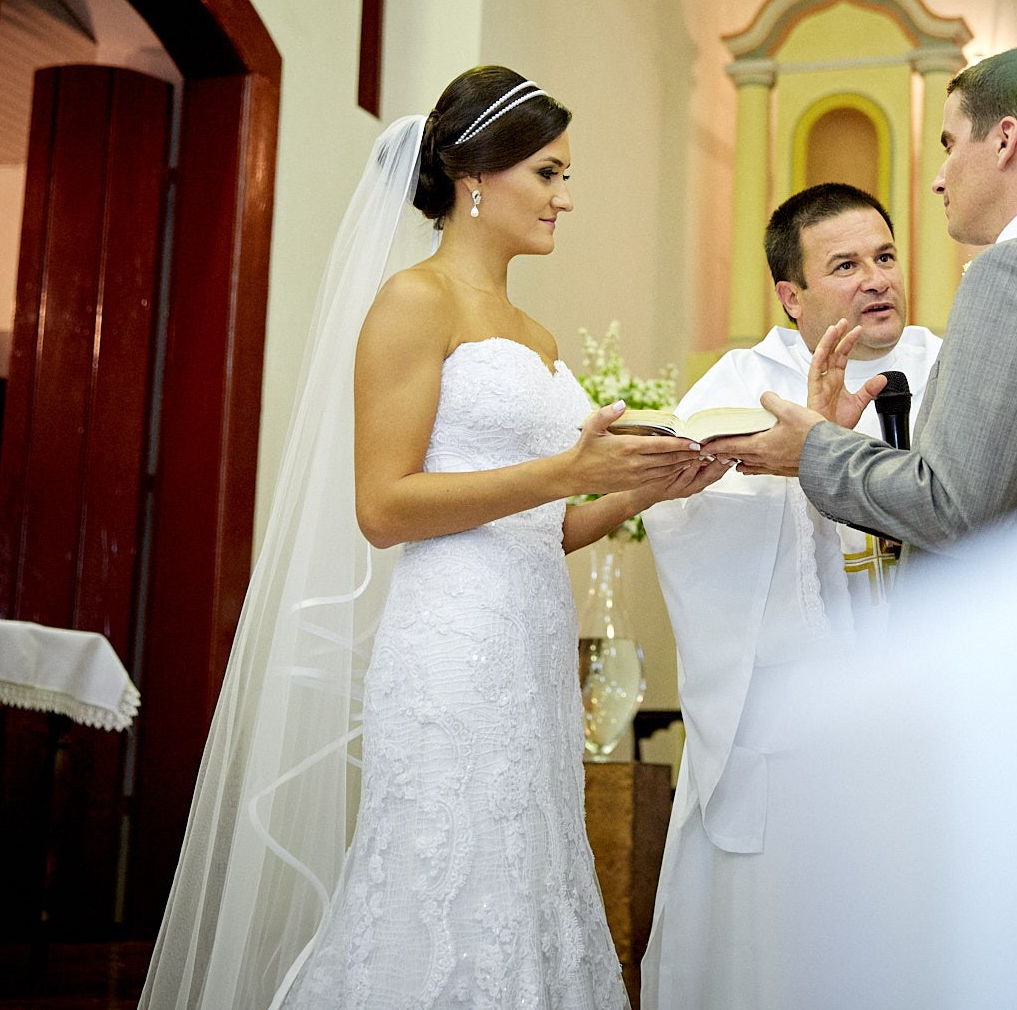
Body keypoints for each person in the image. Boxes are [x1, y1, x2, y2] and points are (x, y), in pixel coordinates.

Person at [140, 67, 723, 1010]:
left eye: (567, 174)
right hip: (448, 647)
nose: (565, 197)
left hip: (530, 645)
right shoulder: (412, 302)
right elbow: (384, 505)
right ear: (474, 176)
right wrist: (566, 471)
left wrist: (648, 484)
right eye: (548, 172)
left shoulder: (535, 333)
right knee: (443, 875)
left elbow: (546, 526)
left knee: (529, 871)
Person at [639, 183, 941, 1010]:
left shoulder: (945, 363)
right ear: (791, 294)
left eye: (884, 255)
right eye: (845, 264)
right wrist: (808, 459)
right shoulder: (741, 383)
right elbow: (684, 521)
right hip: (794, 729)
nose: (877, 278)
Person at [708, 44, 1017, 563]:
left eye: (950, 144)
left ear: (1004, 140)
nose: (939, 177)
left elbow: (950, 506)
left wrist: (813, 449)